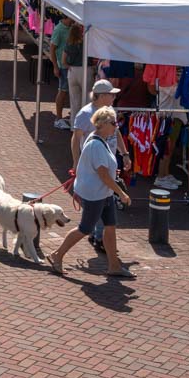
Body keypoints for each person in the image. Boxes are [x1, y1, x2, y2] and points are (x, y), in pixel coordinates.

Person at [48, 106, 134, 279]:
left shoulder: (101, 141)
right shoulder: (96, 144)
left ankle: (114, 266)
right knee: (85, 228)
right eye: (113, 123)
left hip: (104, 193)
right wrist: (121, 193)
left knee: (110, 227)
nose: (116, 126)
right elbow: (102, 174)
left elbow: (104, 172)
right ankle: (57, 255)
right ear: (102, 124)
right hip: (95, 194)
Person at [71, 80, 130, 252]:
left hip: (108, 160)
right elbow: (76, 138)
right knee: (98, 201)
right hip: (94, 165)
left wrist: (124, 154)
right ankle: (98, 237)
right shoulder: (85, 113)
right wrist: (76, 161)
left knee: (103, 201)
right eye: (111, 94)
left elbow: (117, 133)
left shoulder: (110, 111)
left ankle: (99, 236)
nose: (114, 97)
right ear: (102, 95)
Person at [50, 16, 74, 129]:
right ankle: (58, 118)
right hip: (63, 66)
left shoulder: (72, 27)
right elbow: (52, 49)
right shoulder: (59, 29)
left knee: (68, 91)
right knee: (63, 91)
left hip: (71, 66)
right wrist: (55, 67)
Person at [63, 23, 85, 123]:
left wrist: (69, 66)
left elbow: (63, 61)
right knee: (87, 99)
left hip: (72, 71)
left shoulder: (68, 43)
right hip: (85, 70)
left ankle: (74, 124)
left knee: (74, 101)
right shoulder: (85, 43)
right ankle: (85, 125)